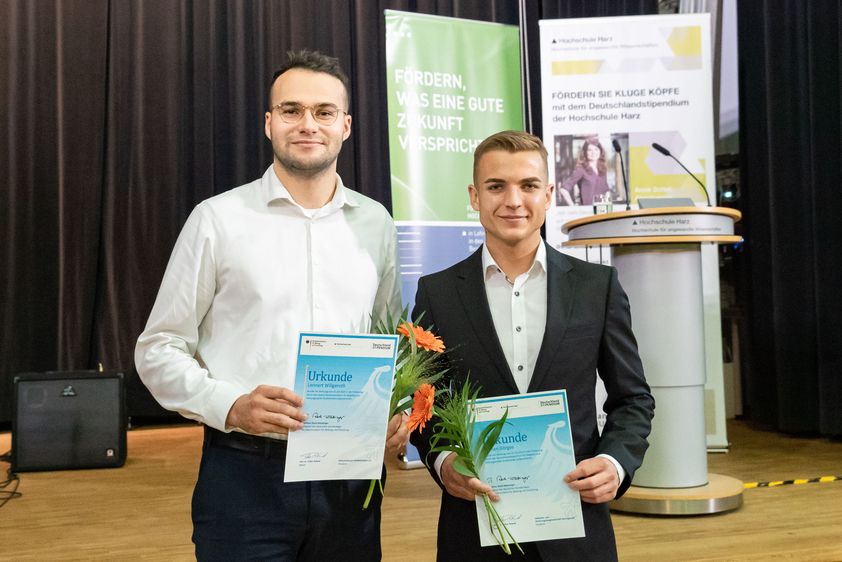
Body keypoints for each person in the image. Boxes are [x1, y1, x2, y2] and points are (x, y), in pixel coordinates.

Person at [135, 50, 407, 561]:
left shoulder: (376, 224)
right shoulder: (216, 219)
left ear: (346, 126)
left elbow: (389, 338)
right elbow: (158, 348)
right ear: (269, 123)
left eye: (324, 112)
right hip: (245, 477)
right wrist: (230, 406)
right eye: (291, 110)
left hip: (349, 478)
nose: (308, 124)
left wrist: (393, 409)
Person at [410, 130, 655, 561]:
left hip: (576, 521)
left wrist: (616, 463)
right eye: (495, 186)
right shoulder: (438, 293)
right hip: (476, 525)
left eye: (527, 186)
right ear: (474, 195)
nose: (513, 200)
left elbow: (633, 399)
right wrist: (443, 461)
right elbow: (424, 404)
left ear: (549, 194)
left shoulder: (598, 288)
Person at [558, 137, 611, 206]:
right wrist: (573, 208)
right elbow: (563, 190)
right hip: (588, 212)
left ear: (600, 151)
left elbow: (606, 190)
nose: (593, 153)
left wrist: (607, 203)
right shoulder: (581, 170)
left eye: (596, 149)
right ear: (585, 152)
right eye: (589, 150)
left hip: (602, 211)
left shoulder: (603, 169)